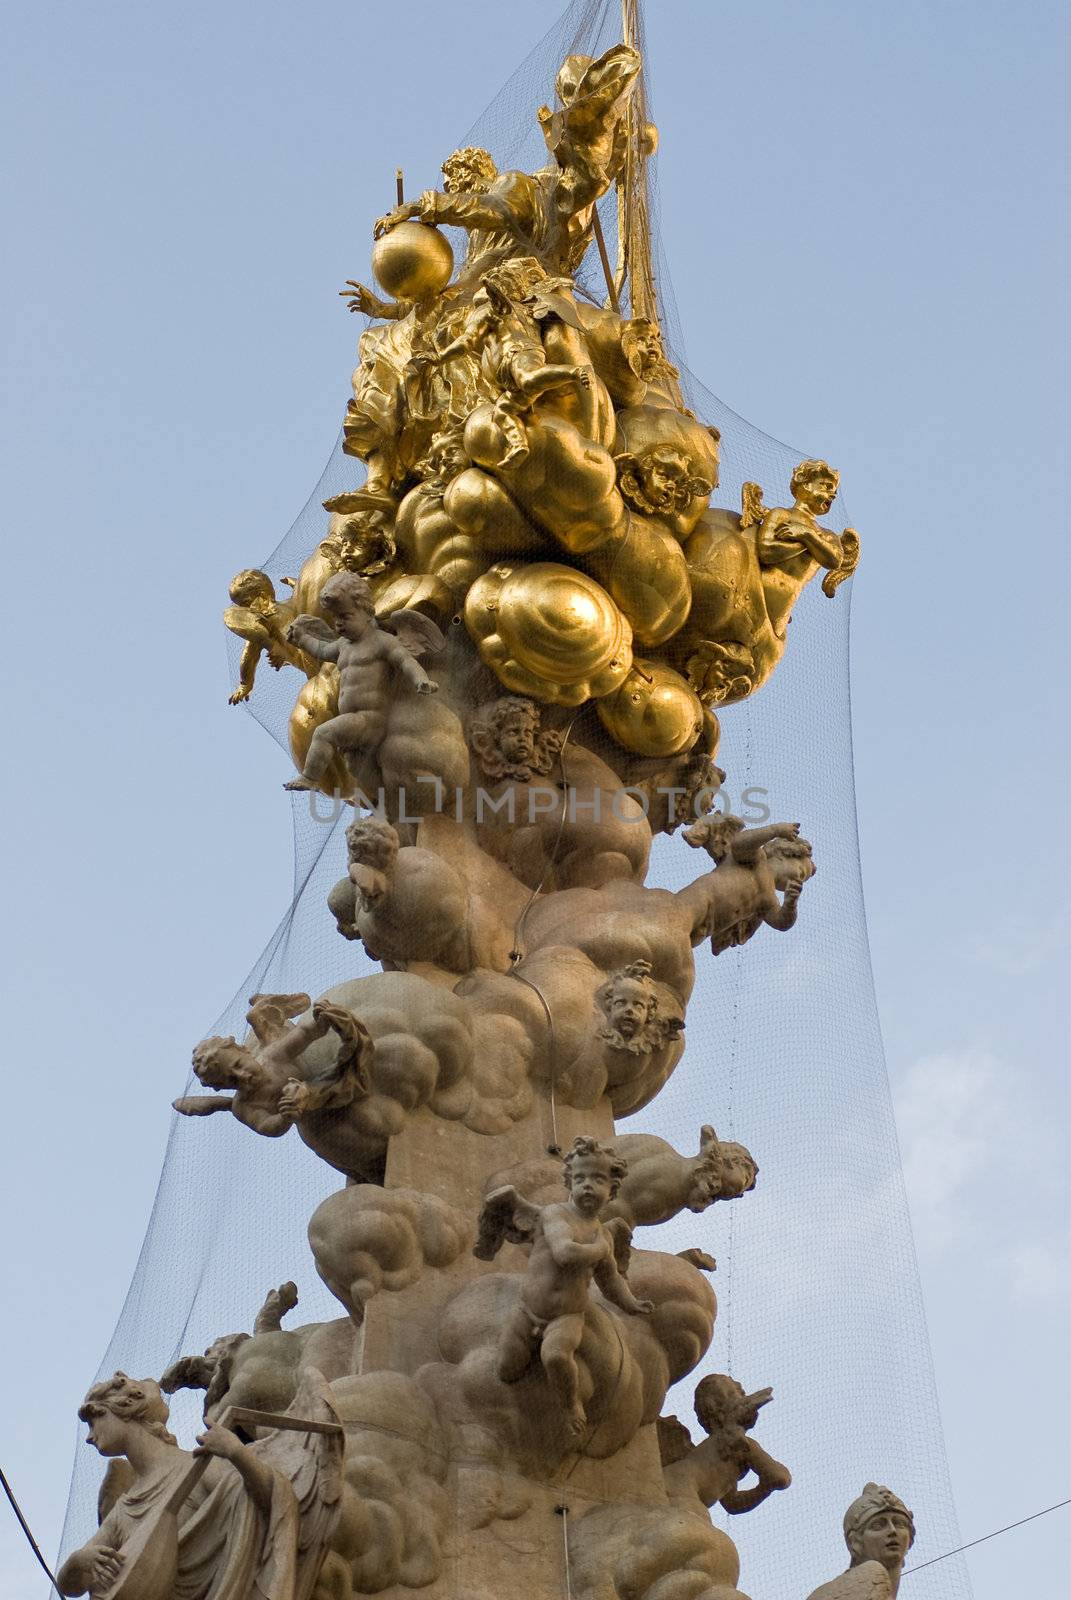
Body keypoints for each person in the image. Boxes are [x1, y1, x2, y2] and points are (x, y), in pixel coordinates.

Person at [474, 1135, 653, 1438]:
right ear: (569, 1182)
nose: (587, 1185)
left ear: (611, 1192)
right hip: (528, 1311)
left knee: (556, 1356)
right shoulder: (554, 1214)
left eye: (597, 1179)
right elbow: (565, 1253)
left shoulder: (605, 1237)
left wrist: (631, 1302)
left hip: (567, 1316)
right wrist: (599, 1250)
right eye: (580, 1177)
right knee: (506, 1368)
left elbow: (609, 1281)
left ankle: (570, 1404)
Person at [806, 1483, 916, 1599]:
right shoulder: (870, 1574)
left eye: (899, 1523)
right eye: (878, 1525)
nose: (892, 1530)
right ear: (855, 1542)